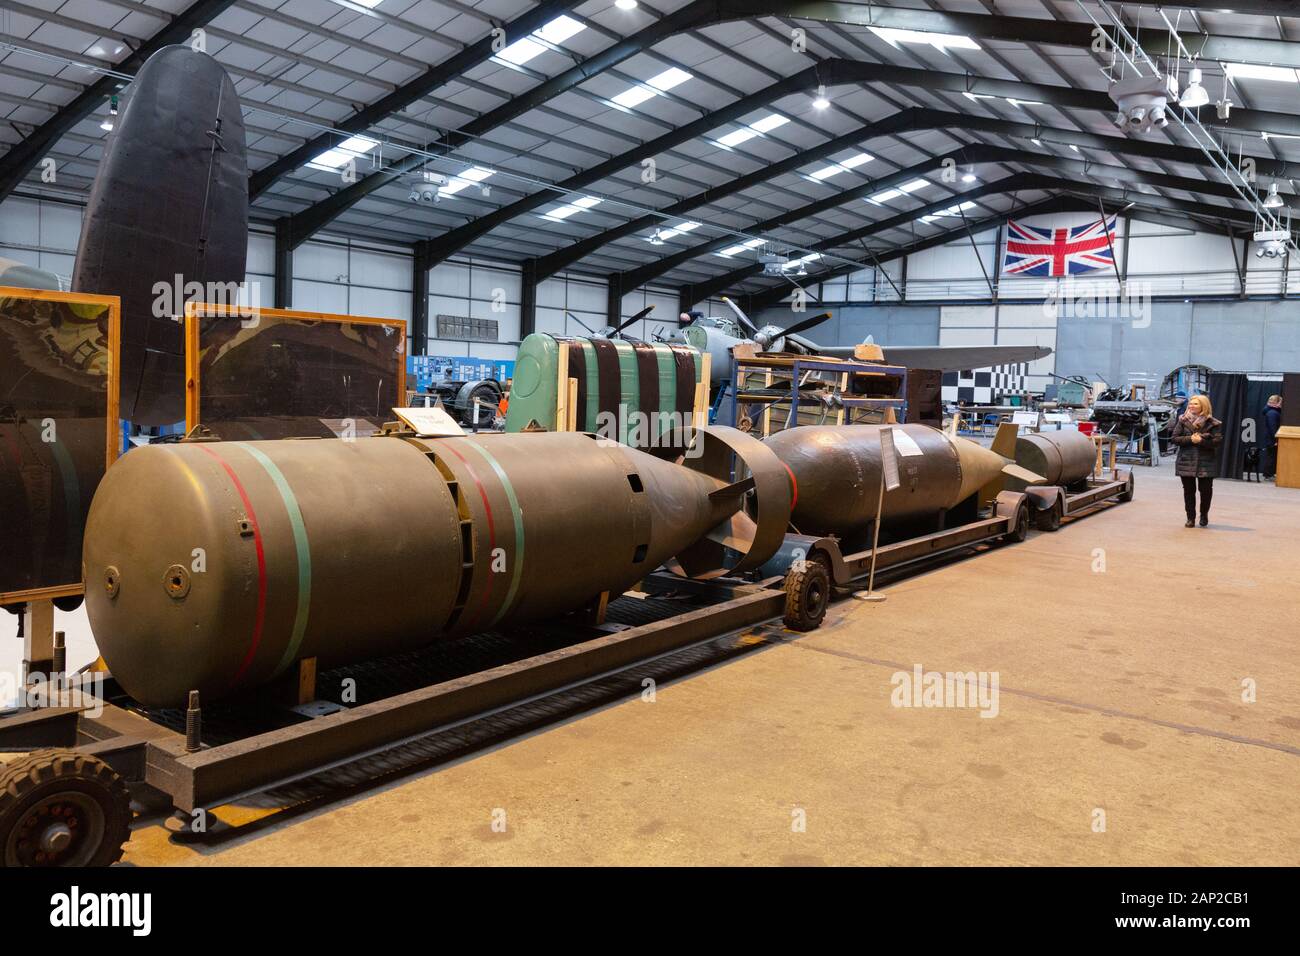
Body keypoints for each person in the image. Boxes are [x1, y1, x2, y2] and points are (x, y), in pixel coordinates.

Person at [1169, 394, 1222, 527]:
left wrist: (1202, 441)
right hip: (1186, 461)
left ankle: (1204, 515)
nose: (1191, 406)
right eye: (1191, 403)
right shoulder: (1183, 420)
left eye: (1195, 404)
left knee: (1206, 491)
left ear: (1203, 406)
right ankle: (1190, 518)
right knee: (1188, 491)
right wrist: (1190, 439)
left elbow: (1217, 442)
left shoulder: (1213, 423)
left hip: (1206, 462)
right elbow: (1174, 438)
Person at [1262, 394, 1282, 480]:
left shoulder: (1271, 411)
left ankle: (1269, 474)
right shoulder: (1272, 413)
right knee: (1271, 456)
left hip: (1271, 438)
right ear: (1276, 402)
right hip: (1272, 438)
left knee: (1271, 456)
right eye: (1280, 402)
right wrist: (1275, 439)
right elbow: (1272, 427)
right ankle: (1268, 474)